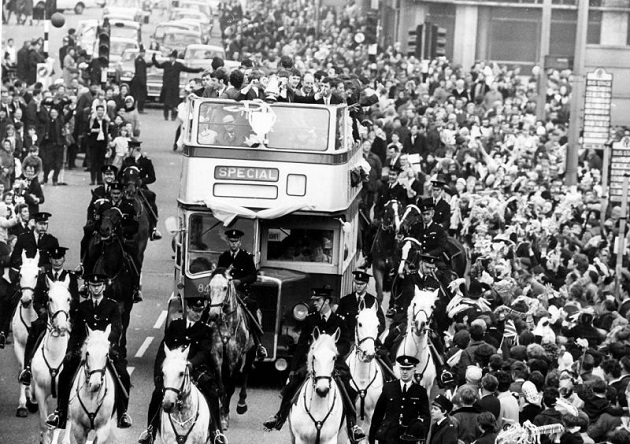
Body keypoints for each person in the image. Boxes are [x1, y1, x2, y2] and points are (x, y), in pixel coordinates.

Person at [263, 288, 366, 443]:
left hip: (333, 362)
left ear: (327, 301)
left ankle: (352, 426)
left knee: (349, 388)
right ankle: (280, 416)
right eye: (315, 300)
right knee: (292, 385)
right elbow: (302, 344)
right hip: (312, 363)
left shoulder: (339, 320)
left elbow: (346, 342)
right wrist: (293, 369)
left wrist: (335, 351)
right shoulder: (311, 320)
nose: (315, 303)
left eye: (318, 300)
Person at [46, 273, 132, 430]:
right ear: (89, 287)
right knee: (65, 374)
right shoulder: (82, 307)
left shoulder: (112, 306)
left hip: (106, 347)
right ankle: (61, 413)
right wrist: (71, 350)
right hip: (85, 349)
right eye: (93, 286)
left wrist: (107, 342)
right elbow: (77, 332)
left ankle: (122, 414)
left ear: (104, 287)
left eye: (99, 285)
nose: (96, 288)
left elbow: (117, 329)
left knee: (123, 375)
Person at [137, 297, 224, 444]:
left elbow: (203, 352)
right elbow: (162, 350)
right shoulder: (175, 326)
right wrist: (159, 373)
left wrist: (191, 363)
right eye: (194, 310)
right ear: (188, 309)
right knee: (158, 393)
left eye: (200, 311)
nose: (197, 314)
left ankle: (216, 431)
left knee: (210, 391)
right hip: (173, 368)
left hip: (194, 368)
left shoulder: (205, 329)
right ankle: (150, 430)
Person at [18, 246, 80, 386]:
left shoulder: (70, 277)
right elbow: (38, 300)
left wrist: (67, 314)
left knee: (79, 337)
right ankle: (27, 368)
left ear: (64, 259)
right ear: (50, 259)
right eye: (54, 258)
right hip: (47, 318)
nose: (57, 261)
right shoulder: (42, 278)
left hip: (66, 317)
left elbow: (75, 300)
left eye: (59, 258)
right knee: (34, 331)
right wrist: (43, 312)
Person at [217, 229, 266, 359]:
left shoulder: (246, 257)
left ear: (240, 242)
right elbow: (218, 274)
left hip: (241, 292)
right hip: (225, 292)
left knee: (252, 308)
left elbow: (253, 276)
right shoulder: (223, 257)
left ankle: (258, 344)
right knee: (211, 310)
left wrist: (240, 281)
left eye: (236, 241)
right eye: (231, 241)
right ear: (228, 242)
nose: (234, 244)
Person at [368, 355, 431, 443]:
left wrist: (421, 437)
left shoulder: (420, 391)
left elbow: (426, 416)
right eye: (402, 369)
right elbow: (378, 414)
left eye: (408, 369)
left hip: (409, 438)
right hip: (388, 437)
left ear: (414, 370)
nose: (405, 372)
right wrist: (372, 437)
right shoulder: (389, 387)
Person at [120, 139, 161, 240]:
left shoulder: (146, 161)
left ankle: (153, 227)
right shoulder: (127, 161)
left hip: (140, 188)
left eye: (129, 149)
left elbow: (152, 177)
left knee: (151, 198)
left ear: (134, 149)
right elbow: (120, 175)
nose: (128, 151)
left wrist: (141, 181)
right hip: (127, 187)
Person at [152, 50, 203, 121]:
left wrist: (198, 70)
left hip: (174, 87)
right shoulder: (166, 64)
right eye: (170, 57)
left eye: (172, 57)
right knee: (166, 103)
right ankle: (166, 116)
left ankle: (173, 116)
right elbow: (158, 65)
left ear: (175, 58)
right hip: (167, 86)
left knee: (175, 103)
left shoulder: (178, 65)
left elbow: (188, 69)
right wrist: (153, 58)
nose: (170, 59)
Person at [337, 270, 386, 335]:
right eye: (357, 283)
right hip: (349, 340)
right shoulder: (345, 301)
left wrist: (371, 335)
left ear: (367, 284)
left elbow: (381, 323)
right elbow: (337, 321)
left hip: (367, 339)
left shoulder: (373, 301)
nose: (358, 286)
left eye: (362, 284)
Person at [86, 104, 110, 186]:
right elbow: (87, 130)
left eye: (102, 110)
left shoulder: (105, 120)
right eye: (99, 110)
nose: (100, 112)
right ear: (96, 111)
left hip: (102, 143)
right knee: (93, 162)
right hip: (94, 143)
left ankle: (100, 179)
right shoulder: (92, 119)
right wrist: (93, 130)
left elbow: (108, 131)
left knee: (101, 162)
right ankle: (93, 179)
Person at [130, 45, 149, 114]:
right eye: (142, 52)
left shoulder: (140, 59)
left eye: (144, 52)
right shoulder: (140, 60)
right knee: (141, 95)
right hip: (139, 81)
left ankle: (135, 108)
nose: (143, 53)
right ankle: (140, 109)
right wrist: (143, 82)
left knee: (136, 95)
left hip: (138, 80)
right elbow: (140, 72)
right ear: (140, 52)